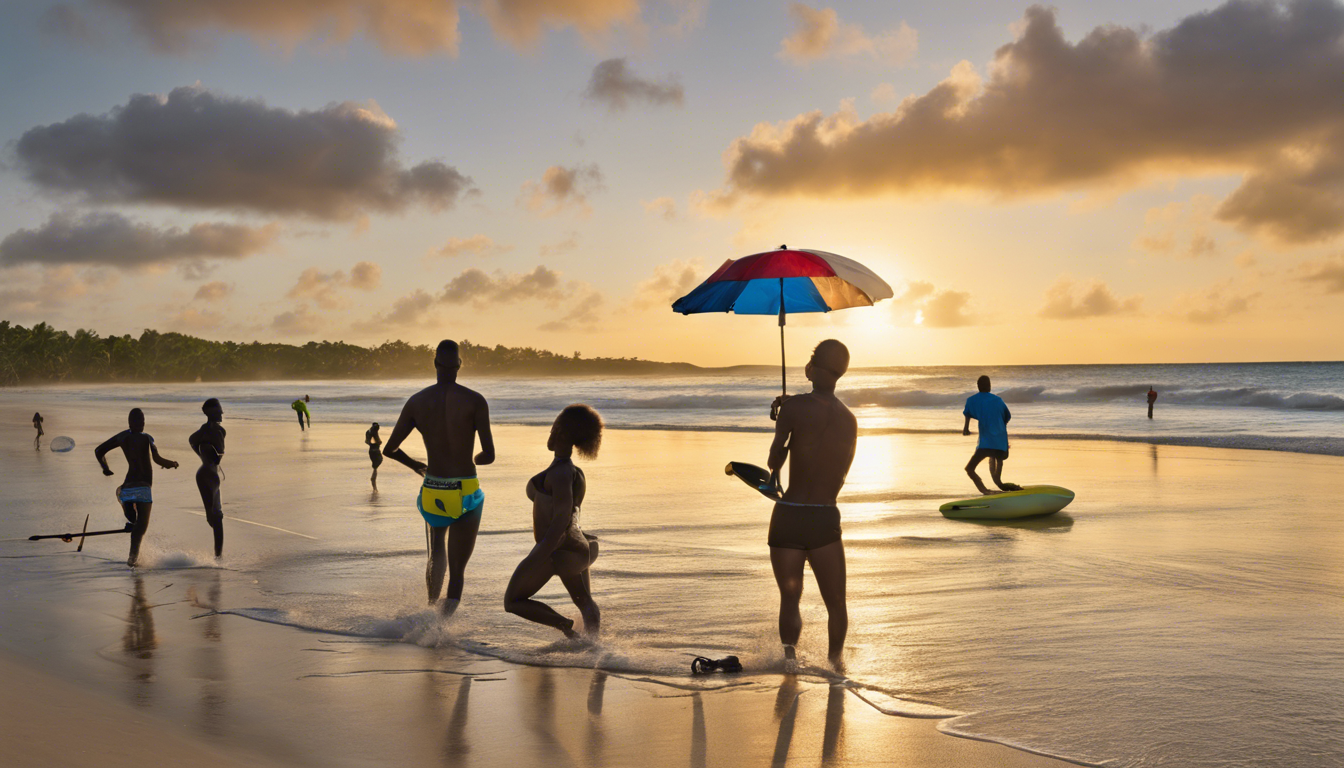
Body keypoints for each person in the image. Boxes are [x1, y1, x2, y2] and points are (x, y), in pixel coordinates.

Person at [384, 340, 496, 616]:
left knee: (437, 552)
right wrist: (475, 460)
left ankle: (429, 610)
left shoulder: (417, 401)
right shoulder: (475, 400)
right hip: (465, 488)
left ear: (435, 364)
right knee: (458, 569)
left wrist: (415, 465)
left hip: (433, 488)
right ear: (459, 365)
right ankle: (442, 628)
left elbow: (390, 449)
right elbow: (488, 455)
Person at [766, 339, 857, 670]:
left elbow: (774, 463)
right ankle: (835, 667)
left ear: (814, 368)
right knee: (836, 603)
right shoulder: (850, 420)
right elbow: (841, 474)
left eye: (811, 360)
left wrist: (783, 421)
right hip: (824, 518)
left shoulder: (793, 407)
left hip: (789, 514)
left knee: (791, 598)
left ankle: (790, 662)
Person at [504, 405, 603, 638]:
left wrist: (538, 555)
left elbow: (561, 517)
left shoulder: (560, 473)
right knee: (584, 600)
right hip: (578, 547)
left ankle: (565, 626)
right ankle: (594, 647)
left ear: (560, 431)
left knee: (512, 601)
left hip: (557, 549)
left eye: (552, 427)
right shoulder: (574, 472)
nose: (549, 432)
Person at [95, 408, 179, 567]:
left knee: (134, 521)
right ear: (140, 423)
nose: (142, 424)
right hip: (143, 488)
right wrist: (172, 464)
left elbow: (99, 451)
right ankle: (132, 560)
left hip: (127, 488)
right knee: (141, 528)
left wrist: (105, 467)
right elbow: (158, 459)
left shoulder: (122, 436)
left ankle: (131, 522)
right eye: (141, 422)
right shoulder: (148, 438)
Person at [962, 375, 1022, 496]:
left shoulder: (972, 400)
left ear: (978, 387)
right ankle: (1006, 487)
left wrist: (966, 428)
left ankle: (985, 490)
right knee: (996, 464)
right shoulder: (998, 400)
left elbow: (967, 413)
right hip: (1001, 443)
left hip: (985, 444)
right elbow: (1007, 417)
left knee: (969, 469)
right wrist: (1000, 429)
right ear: (990, 386)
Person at [188, 398, 226, 558]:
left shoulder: (202, 431)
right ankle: (218, 556)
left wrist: (202, 455)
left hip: (203, 473)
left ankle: (218, 555)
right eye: (218, 411)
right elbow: (219, 454)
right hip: (210, 475)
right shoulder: (219, 431)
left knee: (213, 517)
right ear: (212, 412)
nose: (222, 413)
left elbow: (191, 440)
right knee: (216, 517)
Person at [365, 422, 383, 489]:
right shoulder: (374, 433)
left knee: (375, 467)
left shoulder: (368, 432)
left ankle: (374, 485)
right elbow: (379, 442)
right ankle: (374, 484)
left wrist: (370, 443)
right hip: (376, 451)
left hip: (371, 451)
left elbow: (366, 441)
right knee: (376, 466)